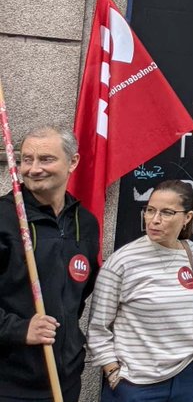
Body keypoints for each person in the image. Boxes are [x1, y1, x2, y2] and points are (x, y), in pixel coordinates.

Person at [87, 180, 193, 401]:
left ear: (187, 218)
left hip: (187, 376)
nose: (154, 220)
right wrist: (113, 372)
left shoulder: (192, 253)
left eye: (167, 212)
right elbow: (98, 327)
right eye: (150, 210)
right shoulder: (122, 261)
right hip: (136, 384)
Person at [0, 127, 100, 402]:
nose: (33, 169)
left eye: (46, 159)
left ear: (73, 162)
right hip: (9, 384)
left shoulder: (86, 223)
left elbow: (77, 297)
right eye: (26, 159)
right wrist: (19, 329)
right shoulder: (4, 217)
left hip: (64, 382)